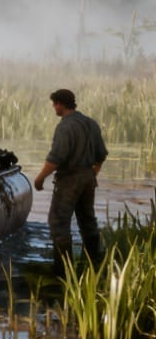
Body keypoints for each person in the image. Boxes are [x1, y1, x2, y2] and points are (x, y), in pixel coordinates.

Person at [32, 88, 108, 272]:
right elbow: (101, 155)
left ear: (60, 104)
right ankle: (93, 264)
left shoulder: (65, 127)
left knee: (58, 222)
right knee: (88, 221)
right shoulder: (91, 123)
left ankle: (63, 270)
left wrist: (39, 179)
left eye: (54, 104)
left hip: (69, 180)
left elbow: (55, 159)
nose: (53, 108)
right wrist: (91, 175)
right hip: (88, 177)